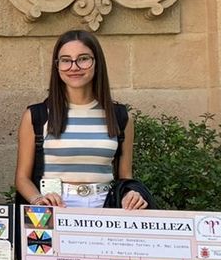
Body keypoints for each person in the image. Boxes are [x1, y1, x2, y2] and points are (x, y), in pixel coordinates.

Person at [14, 30, 147, 211]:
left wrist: (131, 194)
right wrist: (38, 200)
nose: (74, 67)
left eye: (83, 58)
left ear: (97, 63)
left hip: (104, 208)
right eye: (66, 60)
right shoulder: (37, 115)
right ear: (57, 66)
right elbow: (22, 178)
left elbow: (125, 176)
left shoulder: (120, 116)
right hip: (54, 207)